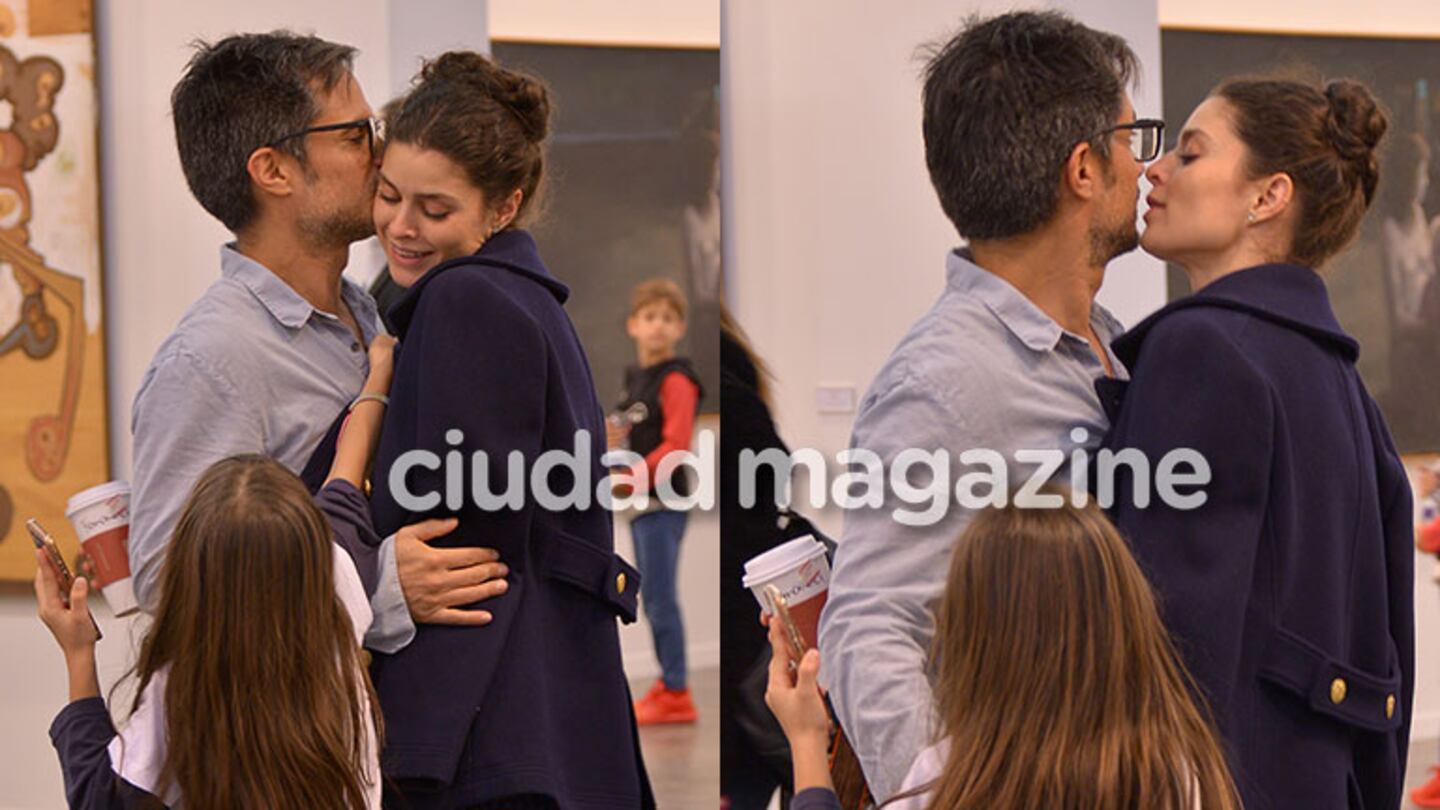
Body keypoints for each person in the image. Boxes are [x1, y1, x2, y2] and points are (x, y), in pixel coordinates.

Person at [816, 11, 1159, 800]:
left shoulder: (1105, 342)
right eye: (1129, 140)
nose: (1144, 169)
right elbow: (869, 626)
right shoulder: (948, 381)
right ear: (1083, 169)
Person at [128, 32, 503, 654]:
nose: (383, 155)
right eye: (357, 136)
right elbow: (172, 589)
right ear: (273, 170)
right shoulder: (213, 359)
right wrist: (376, 590)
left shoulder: (371, 312)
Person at [1101, 77, 1413, 809]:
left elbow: (1164, 642)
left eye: (1190, 152)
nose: (1156, 169)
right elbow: (1384, 659)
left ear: (1268, 197)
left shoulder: (1203, 349)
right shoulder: (1344, 387)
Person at [365, 51, 653, 807]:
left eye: (434, 210)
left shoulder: (468, 301)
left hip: (484, 724)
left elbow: (465, 538)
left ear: (502, 206)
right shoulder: (529, 303)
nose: (401, 226)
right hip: (547, 707)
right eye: (389, 195)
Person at [38, 334, 411, 809]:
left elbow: (99, 798)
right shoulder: (334, 577)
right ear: (308, 544)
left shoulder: (179, 690)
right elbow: (346, 470)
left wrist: (78, 652)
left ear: (189, 579)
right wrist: (379, 372)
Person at [768, 496, 1240, 810]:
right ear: (1125, 618)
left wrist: (807, 739)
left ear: (973, 637)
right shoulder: (1181, 775)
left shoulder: (945, 781)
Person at [609, 278, 703, 725]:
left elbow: (676, 446)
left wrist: (630, 478)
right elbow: (628, 432)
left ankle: (678, 690)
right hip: (641, 503)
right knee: (654, 600)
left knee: (662, 599)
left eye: (667, 318)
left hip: (663, 503)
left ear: (680, 328)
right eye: (650, 317)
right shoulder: (635, 380)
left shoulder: (677, 380)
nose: (658, 326)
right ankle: (669, 683)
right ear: (633, 325)